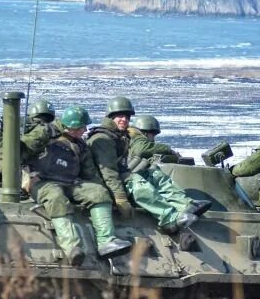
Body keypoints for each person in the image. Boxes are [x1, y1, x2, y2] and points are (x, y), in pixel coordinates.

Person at [22, 105, 132, 263]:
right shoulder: (45, 134)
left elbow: (91, 173)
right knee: (55, 197)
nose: (85, 130)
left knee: (98, 192)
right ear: (72, 126)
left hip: (70, 182)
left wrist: (113, 196)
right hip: (42, 181)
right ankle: (71, 247)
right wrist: (26, 177)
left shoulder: (80, 145)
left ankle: (106, 241)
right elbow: (20, 152)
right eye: (81, 127)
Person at [87, 97, 211, 234]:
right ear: (110, 117)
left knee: (153, 173)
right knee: (137, 183)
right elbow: (109, 173)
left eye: (127, 117)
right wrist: (120, 197)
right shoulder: (103, 139)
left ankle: (185, 204)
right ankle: (168, 219)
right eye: (119, 116)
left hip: (119, 176)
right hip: (103, 182)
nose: (124, 120)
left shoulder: (119, 136)